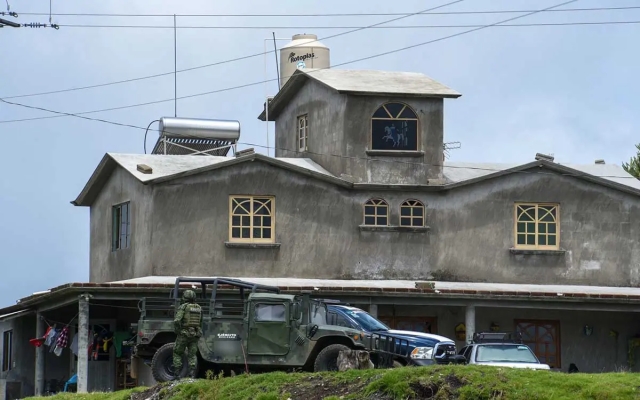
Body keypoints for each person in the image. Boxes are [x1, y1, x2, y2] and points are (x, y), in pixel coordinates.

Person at [172, 289, 202, 379]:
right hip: (195, 334)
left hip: (184, 334)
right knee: (192, 354)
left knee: (177, 352)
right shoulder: (199, 307)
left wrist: (178, 331)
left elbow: (177, 320)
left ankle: (177, 374)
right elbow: (201, 322)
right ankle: (192, 374)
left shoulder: (183, 307)